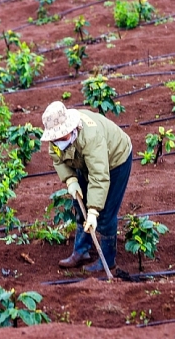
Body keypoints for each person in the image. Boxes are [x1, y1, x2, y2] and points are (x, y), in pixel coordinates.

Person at [41, 101, 133, 273]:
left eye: (62, 136)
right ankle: (81, 252)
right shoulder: (56, 137)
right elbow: (57, 158)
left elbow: (99, 175)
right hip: (84, 163)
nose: (59, 140)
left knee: (105, 213)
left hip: (115, 161)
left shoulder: (90, 137)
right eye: (56, 138)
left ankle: (108, 259)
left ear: (71, 128)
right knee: (79, 202)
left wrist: (93, 211)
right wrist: (70, 180)